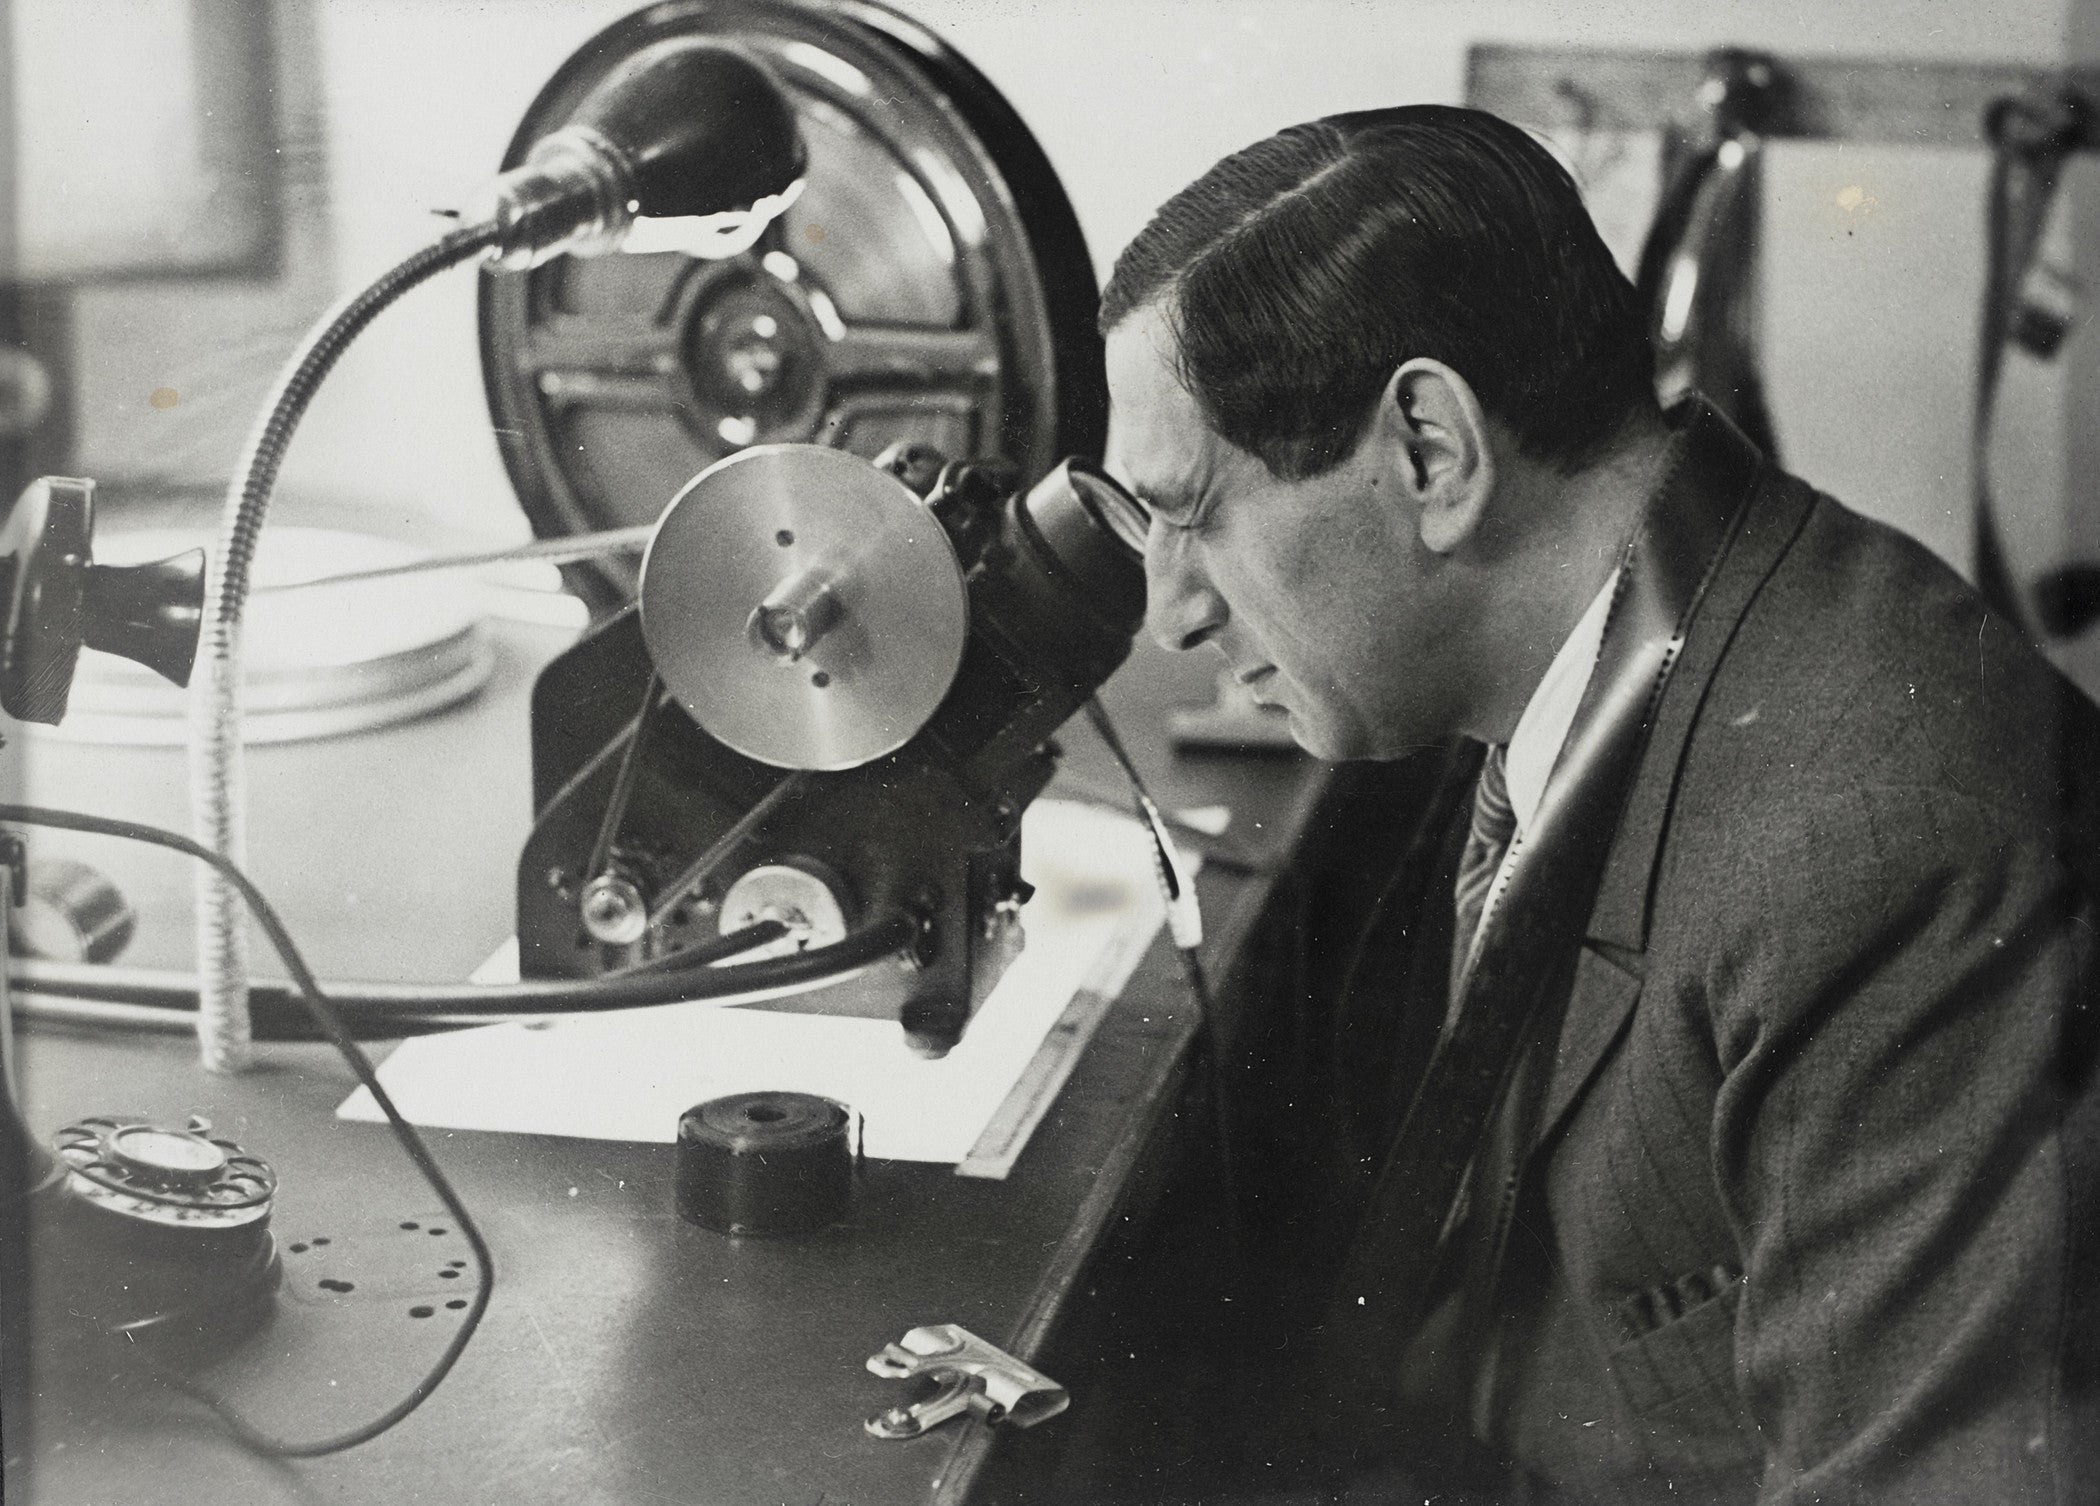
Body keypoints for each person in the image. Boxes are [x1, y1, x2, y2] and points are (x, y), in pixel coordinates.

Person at [1100, 105, 2100, 1505]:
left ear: (1433, 452)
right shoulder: (1602, 650)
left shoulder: (1882, 852)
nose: (1170, 613)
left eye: (1193, 512)